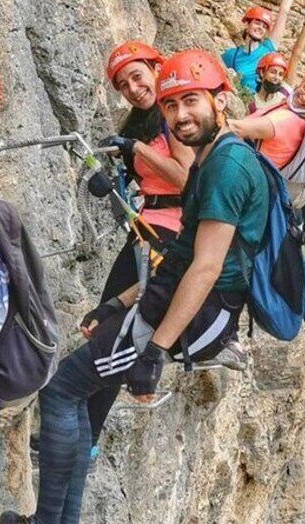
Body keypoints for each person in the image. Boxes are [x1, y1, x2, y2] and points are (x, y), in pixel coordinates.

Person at [0, 49, 269, 524]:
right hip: (176, 302)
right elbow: (178, 257)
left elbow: (204, 268)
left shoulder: (227, 167)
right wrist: (116, 305)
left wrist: (154, 347)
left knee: (62, 391)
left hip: (194, 314)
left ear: (221, 100)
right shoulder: (212, 159)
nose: (179, 115)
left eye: (191, 101)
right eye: (172, 105)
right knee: (78, 389)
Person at [81, 40, 197, 471]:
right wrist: (110, 178)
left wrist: (138, 150)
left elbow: (188, 180)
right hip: (146, 231)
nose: (132, 87)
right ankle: (85, 432)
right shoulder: (141, 121)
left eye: (137, 75)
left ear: (156, 67)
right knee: (107, 325)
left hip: (169, 235)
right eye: (123, 83)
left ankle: (85, 436)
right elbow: (139, 180)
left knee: (114, 329)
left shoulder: (173, 116)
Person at [229, 66, 305, 287]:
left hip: (249, 187)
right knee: (304, 218)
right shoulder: (289, 106)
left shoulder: (287, 119)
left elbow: (235, 128)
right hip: (274, 187)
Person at [247, 1, 305, 114]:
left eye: (280, 74)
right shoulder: (252, 104)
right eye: (273, 72)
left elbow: (296, 55)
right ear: (262, 73)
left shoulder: (284, 92)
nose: (277, 77)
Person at [221, 0, 295, 95]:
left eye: (264, 26)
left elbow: (283, 12)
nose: (260, 27)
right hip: (242, 100)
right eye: (257, 23)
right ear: (247, 25)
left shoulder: (268, 49)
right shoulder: (232, 55)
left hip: (262, 102)